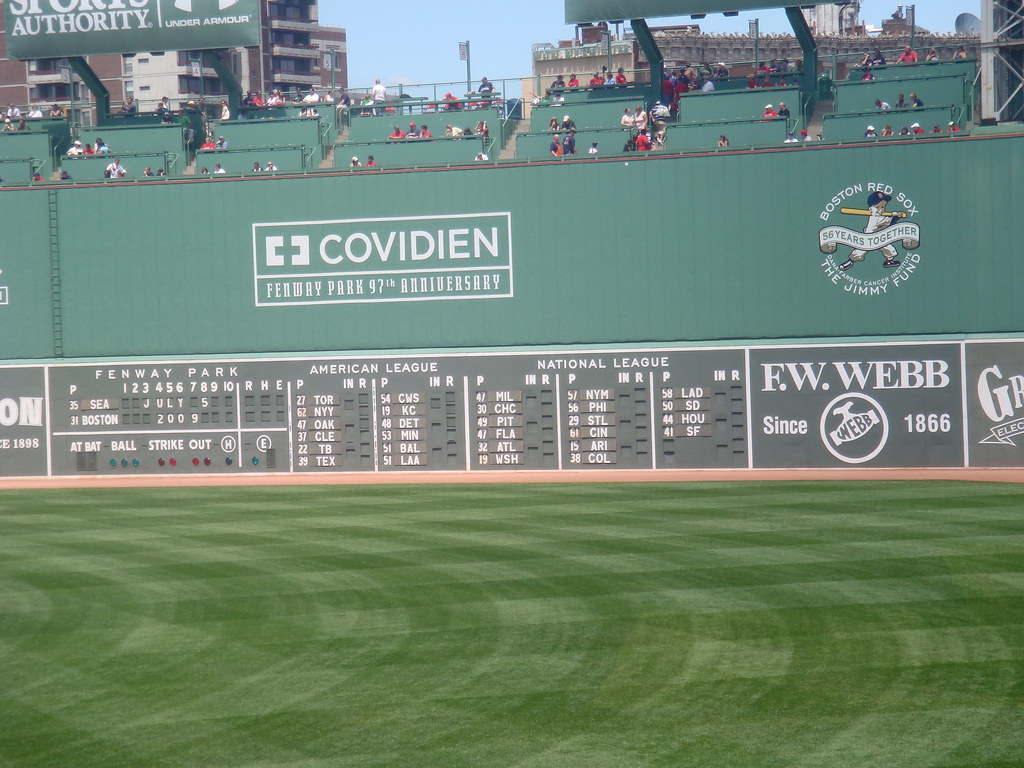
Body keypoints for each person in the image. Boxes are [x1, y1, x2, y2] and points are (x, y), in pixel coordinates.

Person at [838, 191, 906, 271]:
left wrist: (895, 215)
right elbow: (890, 221)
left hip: (880, 238)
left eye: (882, 207)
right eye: (877, 207)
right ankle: (850, 262)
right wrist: (897, 216)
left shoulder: (880, 217)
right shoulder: (876, 218)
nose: (880, 210)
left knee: (890, 250)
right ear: (870, 209)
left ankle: (888, 261)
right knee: (859, 252)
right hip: (869, 238)